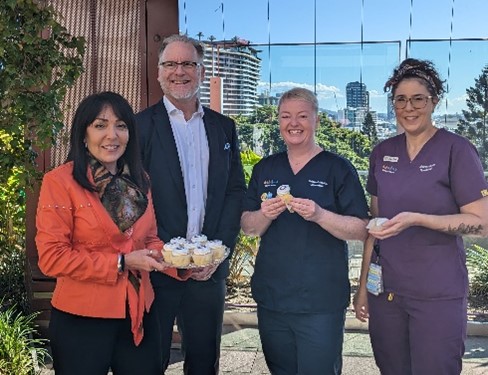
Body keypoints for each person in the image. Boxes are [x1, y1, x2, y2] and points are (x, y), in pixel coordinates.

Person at [35, 91, 188, 374]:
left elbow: (149, 239)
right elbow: (52, 257)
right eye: (100, 125)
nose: (112, 135)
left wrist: (181, 262)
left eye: (121, 125)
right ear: (83, 134)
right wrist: (121, 263)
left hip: (139, 311)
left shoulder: (141, 180)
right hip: (81, 319)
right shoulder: (60, 182)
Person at [353, 58, 488, 375]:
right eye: (400, 99)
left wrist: (418, 219)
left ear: (434, 102)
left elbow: (481, 223)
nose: (408, 107)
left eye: (418, 99)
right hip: (386, 293)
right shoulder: (382, 152)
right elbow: (375, 228)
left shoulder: (457, 150)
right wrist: (362, 288)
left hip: (437, 294)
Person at [135, 34, 246, 374]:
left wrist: (220, 250)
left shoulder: (223, 128)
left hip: (208, 273)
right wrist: (164, 254)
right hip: (156, 269)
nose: (178, 71)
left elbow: (234, 192)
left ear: (201, 71)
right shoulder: (139, 127)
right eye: (171, 64)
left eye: (188, 64)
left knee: (203, 361)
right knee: (148, 361)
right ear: (158, 72)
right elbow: (130, 197)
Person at [240, 87, 369, 375]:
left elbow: (361, 228)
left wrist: (321, 215)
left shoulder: (338, 168)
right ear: (278, 121)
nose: (293, 123)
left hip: (320, 302)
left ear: (317, 121)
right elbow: (248, 228)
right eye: (286, 116)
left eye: (302, 116)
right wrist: (265, 214)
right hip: (272, 298)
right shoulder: (265, 168)